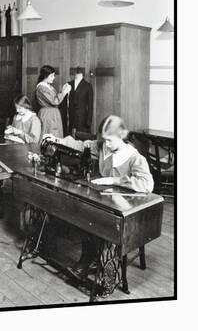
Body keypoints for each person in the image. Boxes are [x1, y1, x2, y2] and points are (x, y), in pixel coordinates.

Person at [43, 115, 154, 276]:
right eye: (104, 140)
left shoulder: (134, 157)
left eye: (110, 140)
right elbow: (82, 145)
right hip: (105, 201)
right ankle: (91, 258)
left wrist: (115, 180)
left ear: (121, 135)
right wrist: (57, 140)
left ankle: (87, 261)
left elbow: (147, 184)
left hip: (125, 208)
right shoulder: (104, 146)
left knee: (91, 217)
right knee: (81, 210)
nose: (106, 144)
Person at [34, 65, 71, 138]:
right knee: (49, 136)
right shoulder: (41, 88)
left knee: (55, 136)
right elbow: (54, 101)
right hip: (48, 115)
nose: (54, 78)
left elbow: (55, 99)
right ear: (46, 76)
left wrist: (63, 91)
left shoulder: (49, 87)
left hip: (53, 114)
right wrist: (63, 92)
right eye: (52, 76)